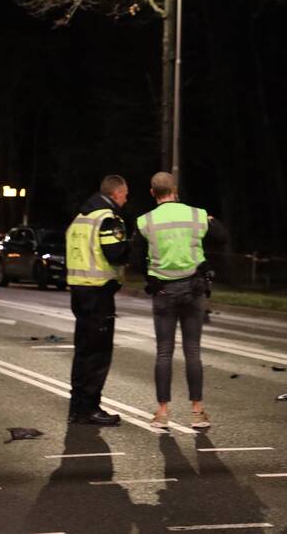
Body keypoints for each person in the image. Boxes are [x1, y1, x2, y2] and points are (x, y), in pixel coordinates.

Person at [132, 172, 229, 430]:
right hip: (193, 290)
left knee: (164, 352)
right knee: (193, 352)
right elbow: (222, 236)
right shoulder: (196, 215)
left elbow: (135, 258)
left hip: (163, 291)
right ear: (175, 189)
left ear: (153, 193)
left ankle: (162, 412)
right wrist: (209, 218)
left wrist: (150, 276)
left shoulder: (145, 221)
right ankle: (197, 411)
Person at [65, 175, 131, 425]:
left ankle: (77, 406)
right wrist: (131, 248)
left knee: (83, 352)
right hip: (98, 293)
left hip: (79, 292)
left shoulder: (81, 218)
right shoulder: (107, 219)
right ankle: (89, 408)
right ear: (115, 194)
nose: (126, 199)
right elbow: (114, 253)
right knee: (98, 354)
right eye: (125, 194)